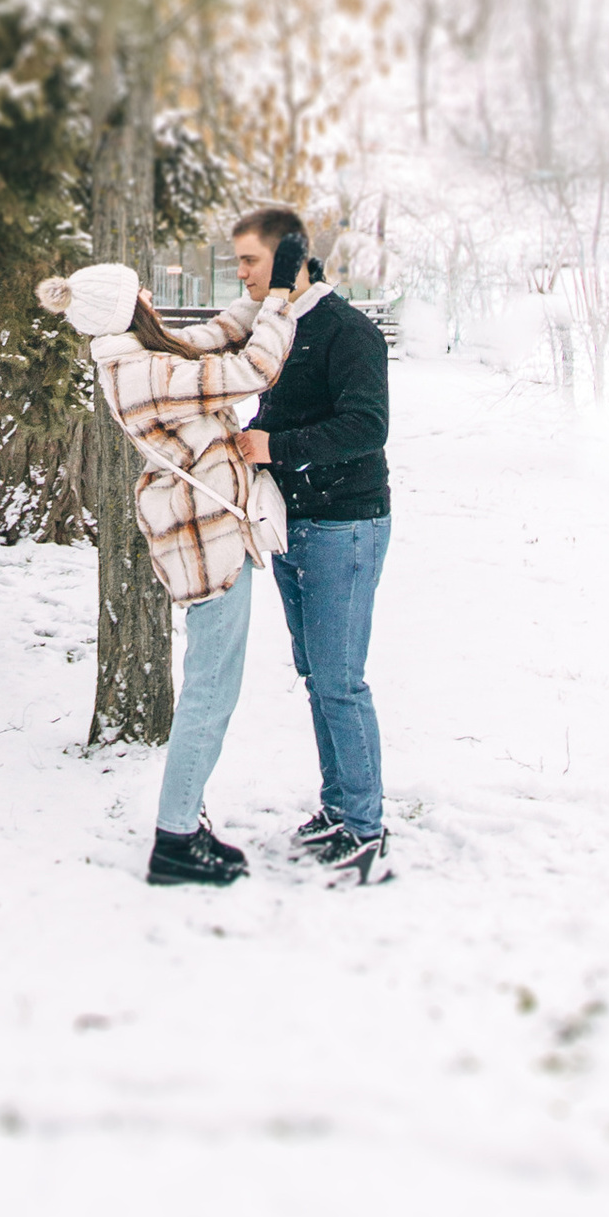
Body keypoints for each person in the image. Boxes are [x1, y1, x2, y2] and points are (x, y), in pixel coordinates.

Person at [34, 244, 314, 889]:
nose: (151, 298)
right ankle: (176, 839)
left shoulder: (146, 357)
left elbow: (216, 336)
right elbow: (254, 368)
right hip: (206, 545)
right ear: (125, 309)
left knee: (213, 685)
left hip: (209, 534)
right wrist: (277, 303)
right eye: (141, 294)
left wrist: (260, 293)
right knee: (211, 691)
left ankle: (184, 821)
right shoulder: (141, 375)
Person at [225, 203, 392, 885]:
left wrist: (276, 446)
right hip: (295, 524)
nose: (240, 274)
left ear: (290, 258)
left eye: (250, 261)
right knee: (316, 675)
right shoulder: (277, 328)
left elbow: (365, 426)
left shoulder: (347, 332)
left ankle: (365, 827)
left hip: (345, 525)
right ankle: (338, 809)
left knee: (340, 679)